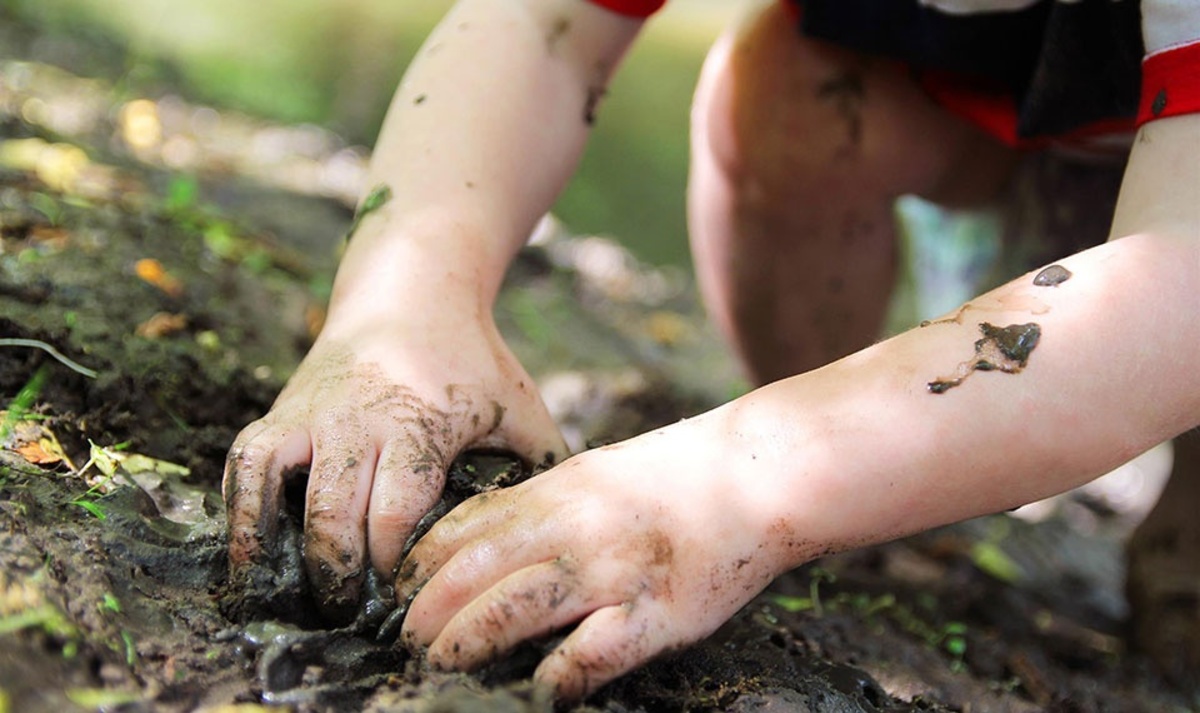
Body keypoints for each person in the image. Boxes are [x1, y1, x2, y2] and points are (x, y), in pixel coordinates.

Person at [224, 0, 1200, 701]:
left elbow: (1179, 276)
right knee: (792, 83)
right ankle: (886, 506)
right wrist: (403, 304)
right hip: (1015, 127)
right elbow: (540, 27)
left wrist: (736, 475)